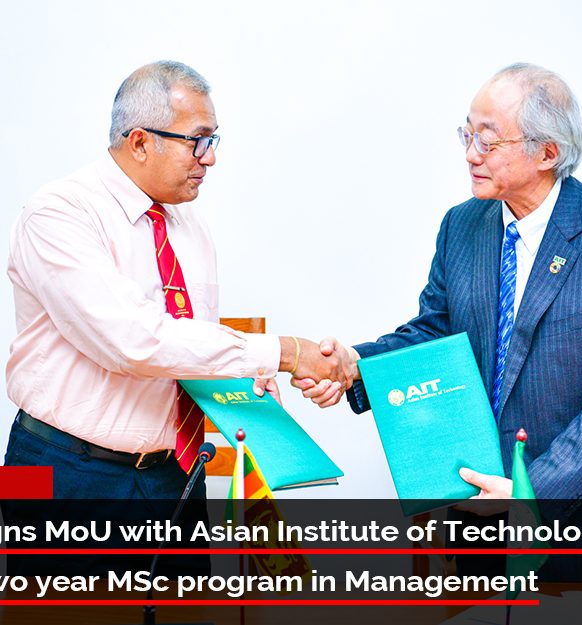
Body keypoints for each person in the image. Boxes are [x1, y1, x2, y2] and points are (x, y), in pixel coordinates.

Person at [294, 63, 582, 581]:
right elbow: (436, 331)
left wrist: (531, 492)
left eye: (488, 140)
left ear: (548, 152)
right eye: (467, 134)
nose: (470, 154)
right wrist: (355, 366)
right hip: (481, 506)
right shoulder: (462, 225)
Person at [3, 60, 351, 575]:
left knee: (184, 609)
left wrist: (260, 384)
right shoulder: (59, 213)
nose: (210, 158)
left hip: (175, 475)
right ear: (140, 142)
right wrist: (285, 352)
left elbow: (190, 347)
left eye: (213, 140)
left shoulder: (188, 224)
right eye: (198, 141)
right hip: (64, 470)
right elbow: (134, 342)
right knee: (64, 611)